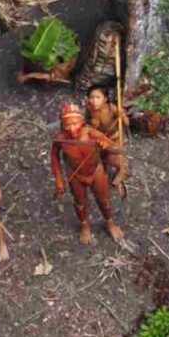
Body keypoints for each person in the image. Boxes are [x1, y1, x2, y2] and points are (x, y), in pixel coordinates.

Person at [51, 103, 124, 245]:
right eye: (67, 125)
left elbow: (116, 149)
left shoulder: (91, 133)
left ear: (81, 121)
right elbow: (54, 157)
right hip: (75, 174)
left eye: (75, 124)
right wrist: (59, 178)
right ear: (62, 124)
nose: (72, 129)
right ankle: (84, 225)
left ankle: (109, 222)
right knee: (80, 203)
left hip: (95, 171)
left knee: (103, 200)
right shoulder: (60, 138)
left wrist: (106, 145)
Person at [85, 84, 128, 195]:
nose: (94, 101)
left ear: (105, 99)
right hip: (100, 137)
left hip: (115, 138)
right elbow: (88, 123)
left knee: (112, 159)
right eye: (92, 97)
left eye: (98, 98)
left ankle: (122, 169)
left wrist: (122, 115)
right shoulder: (89, 108)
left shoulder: (111, 108)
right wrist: (92, 123)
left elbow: (127, 123)